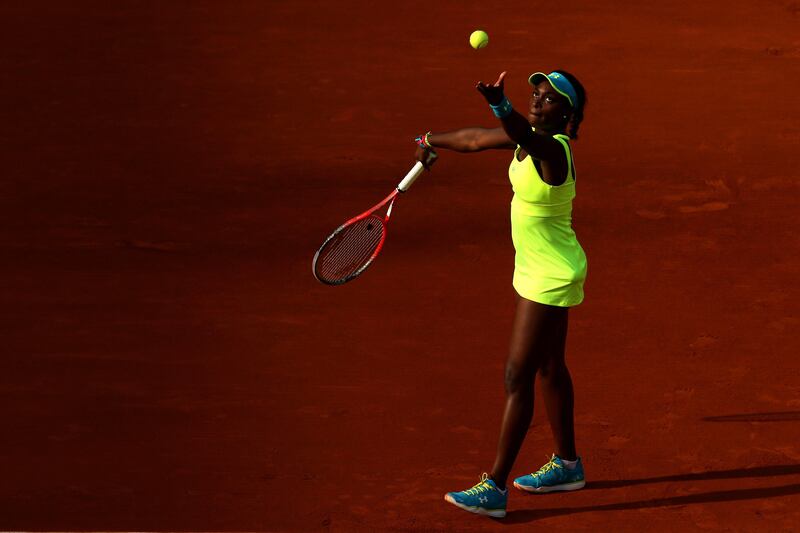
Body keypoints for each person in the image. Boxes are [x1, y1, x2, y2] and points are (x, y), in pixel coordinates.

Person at [414, 70, 588, 518]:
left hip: (548, 277)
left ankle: (494, 486)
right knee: (549, 367)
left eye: (548, 99)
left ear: (565, 112)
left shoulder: (552, 150)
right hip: (538, 269)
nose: (537, 100)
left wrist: (501, 106)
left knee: (517, 375)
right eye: (535, 93)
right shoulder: (527, 137)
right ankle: (568, 465)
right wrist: (431, 138)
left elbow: (514, 131)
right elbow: (474, 139)